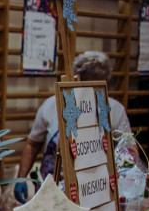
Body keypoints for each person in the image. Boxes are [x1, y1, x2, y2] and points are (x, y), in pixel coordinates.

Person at [15, 51, 132, 202]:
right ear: (76, 80)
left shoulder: (114, 110)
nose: (90, 92)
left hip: (96, 191)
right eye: (85, 84)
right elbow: (32, 144)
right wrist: (20, 178)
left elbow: (129, 150)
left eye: (97, 86)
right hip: (53, 189)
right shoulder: (53, 105)